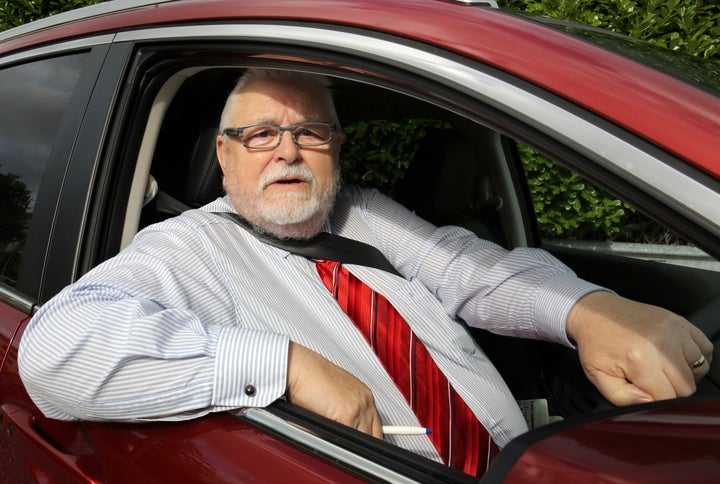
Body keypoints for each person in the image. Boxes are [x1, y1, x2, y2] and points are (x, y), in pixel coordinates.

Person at [19, 68, 713, 474]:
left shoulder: (362, 213)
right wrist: (286, 363)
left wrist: (587, 310)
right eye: (260, 135)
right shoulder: (184, 249)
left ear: (335, 148)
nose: (287, 151)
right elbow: (54, 352)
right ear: (225, 157)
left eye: (310, 132)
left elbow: (468, 268)